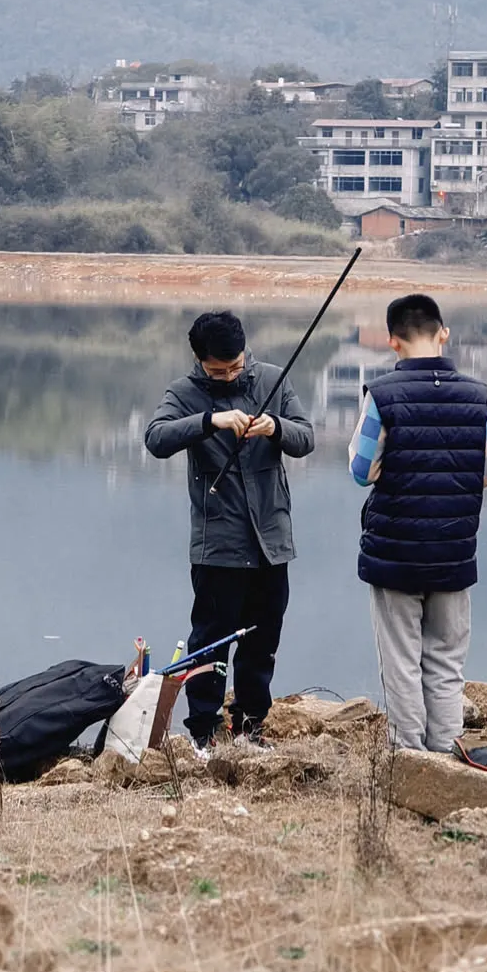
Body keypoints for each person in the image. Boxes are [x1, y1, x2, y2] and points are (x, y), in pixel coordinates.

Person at [144, 310, 315, 748]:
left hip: (271, 543)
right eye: (217, 371)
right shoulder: (184, 393)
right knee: (211, 645)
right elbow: (156, 438)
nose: (228, 376)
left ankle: (251, 726)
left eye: (236, 367)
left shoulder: (272, 380)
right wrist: (210, 421)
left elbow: (306, 438)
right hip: (217, 546)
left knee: (262, 644)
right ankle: (204, 731)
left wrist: (275, 427)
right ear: (200, 361)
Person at [349, 294, 487, 752]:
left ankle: (409, 755)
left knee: (401, 662)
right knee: (447, 661)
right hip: (454, 552)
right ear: (443, 333)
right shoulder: (479, 396)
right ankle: (447, 750)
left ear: (393, 342)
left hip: (394, 553)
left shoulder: (383, 396)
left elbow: (360, 469)